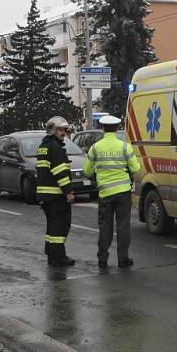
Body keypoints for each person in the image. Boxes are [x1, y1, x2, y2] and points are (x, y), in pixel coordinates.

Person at [84, 115, 140, 268]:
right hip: (123, 193)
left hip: (105, 194)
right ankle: (123, 259)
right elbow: (135, 168)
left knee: (105, 226)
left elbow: (86, 171)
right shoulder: (125, 147)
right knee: (123, 226)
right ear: (116, 128)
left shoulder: (95, 147)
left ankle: (103, 259)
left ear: (103, 128)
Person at [36, 116, 75, 267]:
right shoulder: (56, 148)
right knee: (60, 227)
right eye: (60, 130)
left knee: (52, 228)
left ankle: (52, 254)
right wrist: (69, 192)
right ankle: (59, 257)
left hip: (46, 196)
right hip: (57, 196)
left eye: (64, 130)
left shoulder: (43, 146)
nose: (63, 133)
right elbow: (60, 173)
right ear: (53, 130)